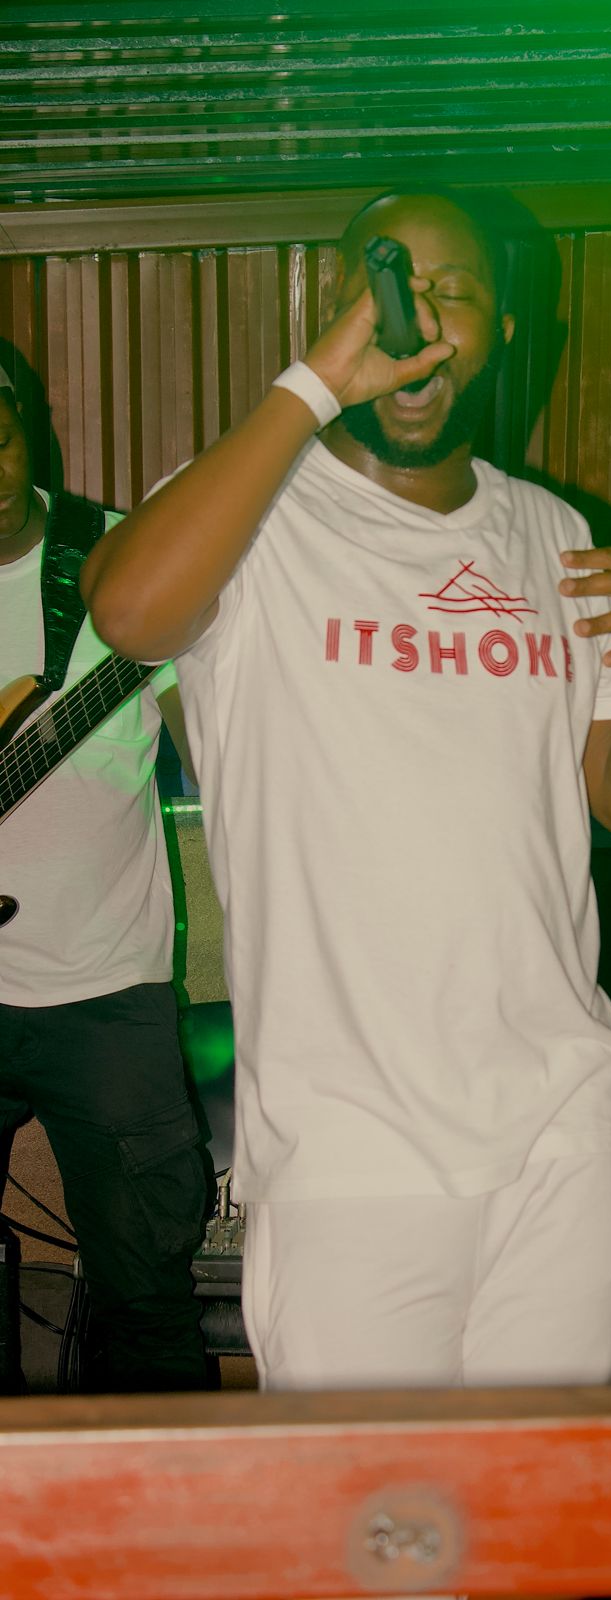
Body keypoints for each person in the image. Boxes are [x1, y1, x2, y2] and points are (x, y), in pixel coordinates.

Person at [81, 187, 611, 1392]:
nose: (422, 319)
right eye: (389, 287)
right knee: (376, 1502)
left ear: (501, 331)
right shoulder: (252, 510)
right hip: (351, 1140)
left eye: (457, 292)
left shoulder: (551, 532)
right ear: (336, 312)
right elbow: (129, 613)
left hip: (566, 1120)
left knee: (552, 1499)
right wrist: (309, 388)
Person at [0, 364, 211, 1391]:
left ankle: (167, 1489)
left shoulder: (127, 560)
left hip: (106, 990)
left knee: (148, 1295)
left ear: (31, 428)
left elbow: (216, 754)